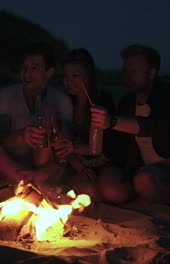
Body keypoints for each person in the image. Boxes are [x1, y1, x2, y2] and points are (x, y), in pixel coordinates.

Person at [90, 43, 170, 217]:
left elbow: (157, 126)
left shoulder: (168, 94)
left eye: (134, 72)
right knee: (137, 183)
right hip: (154, 172)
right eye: (126, 71)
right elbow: (120, 146)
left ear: (151, 73)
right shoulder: (126, 103)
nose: (127, 77)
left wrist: (113, 121)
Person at [0, 42, 73, 189]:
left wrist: (53, 125)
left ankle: (29, 183)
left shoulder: (61, 100)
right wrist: (22, 135)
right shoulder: (7, 95)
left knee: (47, 115)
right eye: (24, 68)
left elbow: (64, 151)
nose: (27, 74)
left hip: (46, 169)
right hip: (13, 167)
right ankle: (30, 183)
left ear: (49, 72)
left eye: (34, 68)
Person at [51, 48, 133, 204]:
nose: (69, 81)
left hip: (105, 160)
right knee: (90, 195)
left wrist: (75, 147)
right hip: (79, 164)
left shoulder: (102, 102)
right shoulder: (66, 103)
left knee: (114, 193)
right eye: (66, 76)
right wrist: (79, 167)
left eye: (76, 76)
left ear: (89, 75)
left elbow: (102, 148)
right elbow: (62, 142)